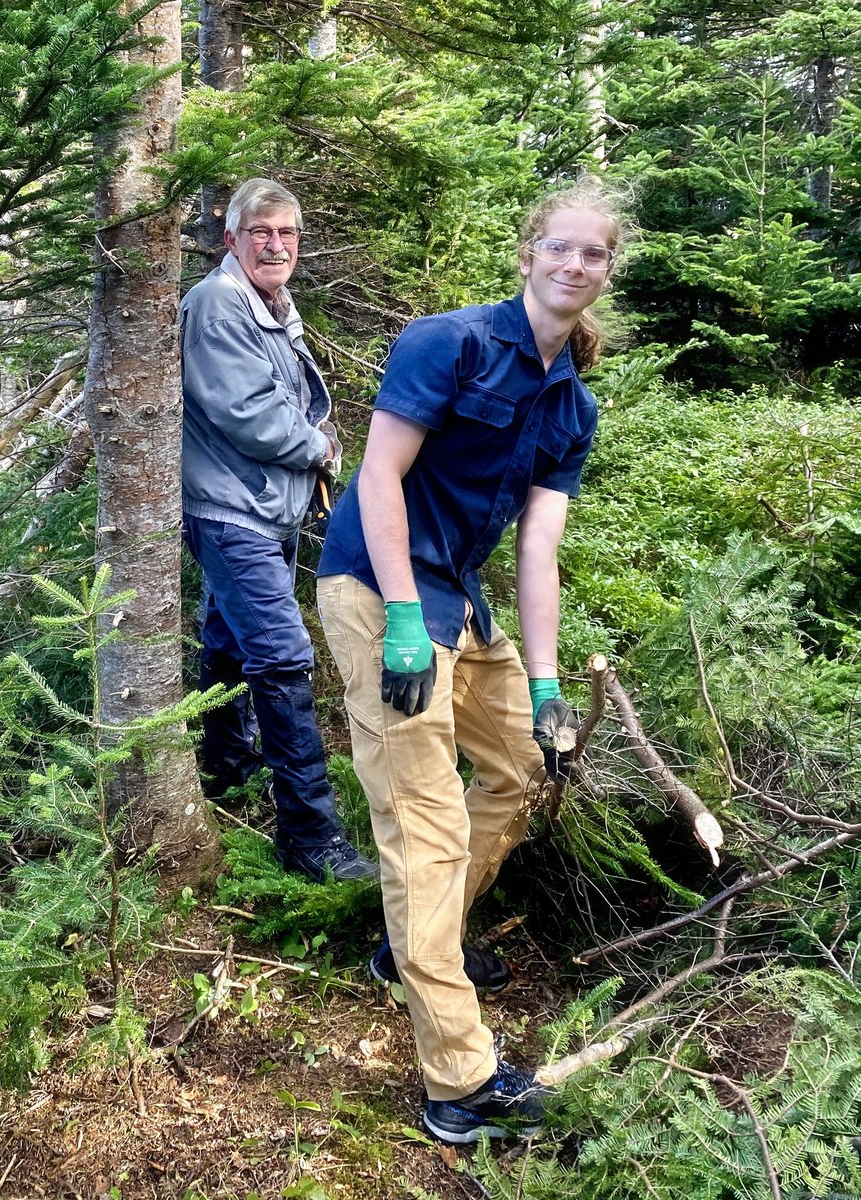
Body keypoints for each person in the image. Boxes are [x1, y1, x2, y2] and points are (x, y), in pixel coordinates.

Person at [316, 175, 630, 1141]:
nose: (574, 265)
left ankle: (420, 940)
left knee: (527, 768)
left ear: (607, 270)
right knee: (427, 822)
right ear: (530, 251)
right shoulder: (446, 343)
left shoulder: (571, 406)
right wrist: (406, 618)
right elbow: (379, 475)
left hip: (463, 599)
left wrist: (542, 680)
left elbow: (539, 550)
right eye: (561, 247)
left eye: (595, 254)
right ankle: (458, 1084)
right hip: (380, 590)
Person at [181, 177, 378, 883]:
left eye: (287, 232)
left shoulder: (269, 302)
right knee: (283, 654)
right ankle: (310, 835)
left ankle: (227, 768)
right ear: (230, 239)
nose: (275, 244)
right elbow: (246, 413)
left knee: (230, 639)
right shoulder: (216, 304)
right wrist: (320, 449)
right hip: (231, 509)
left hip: (261, 506)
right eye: (260, 231)